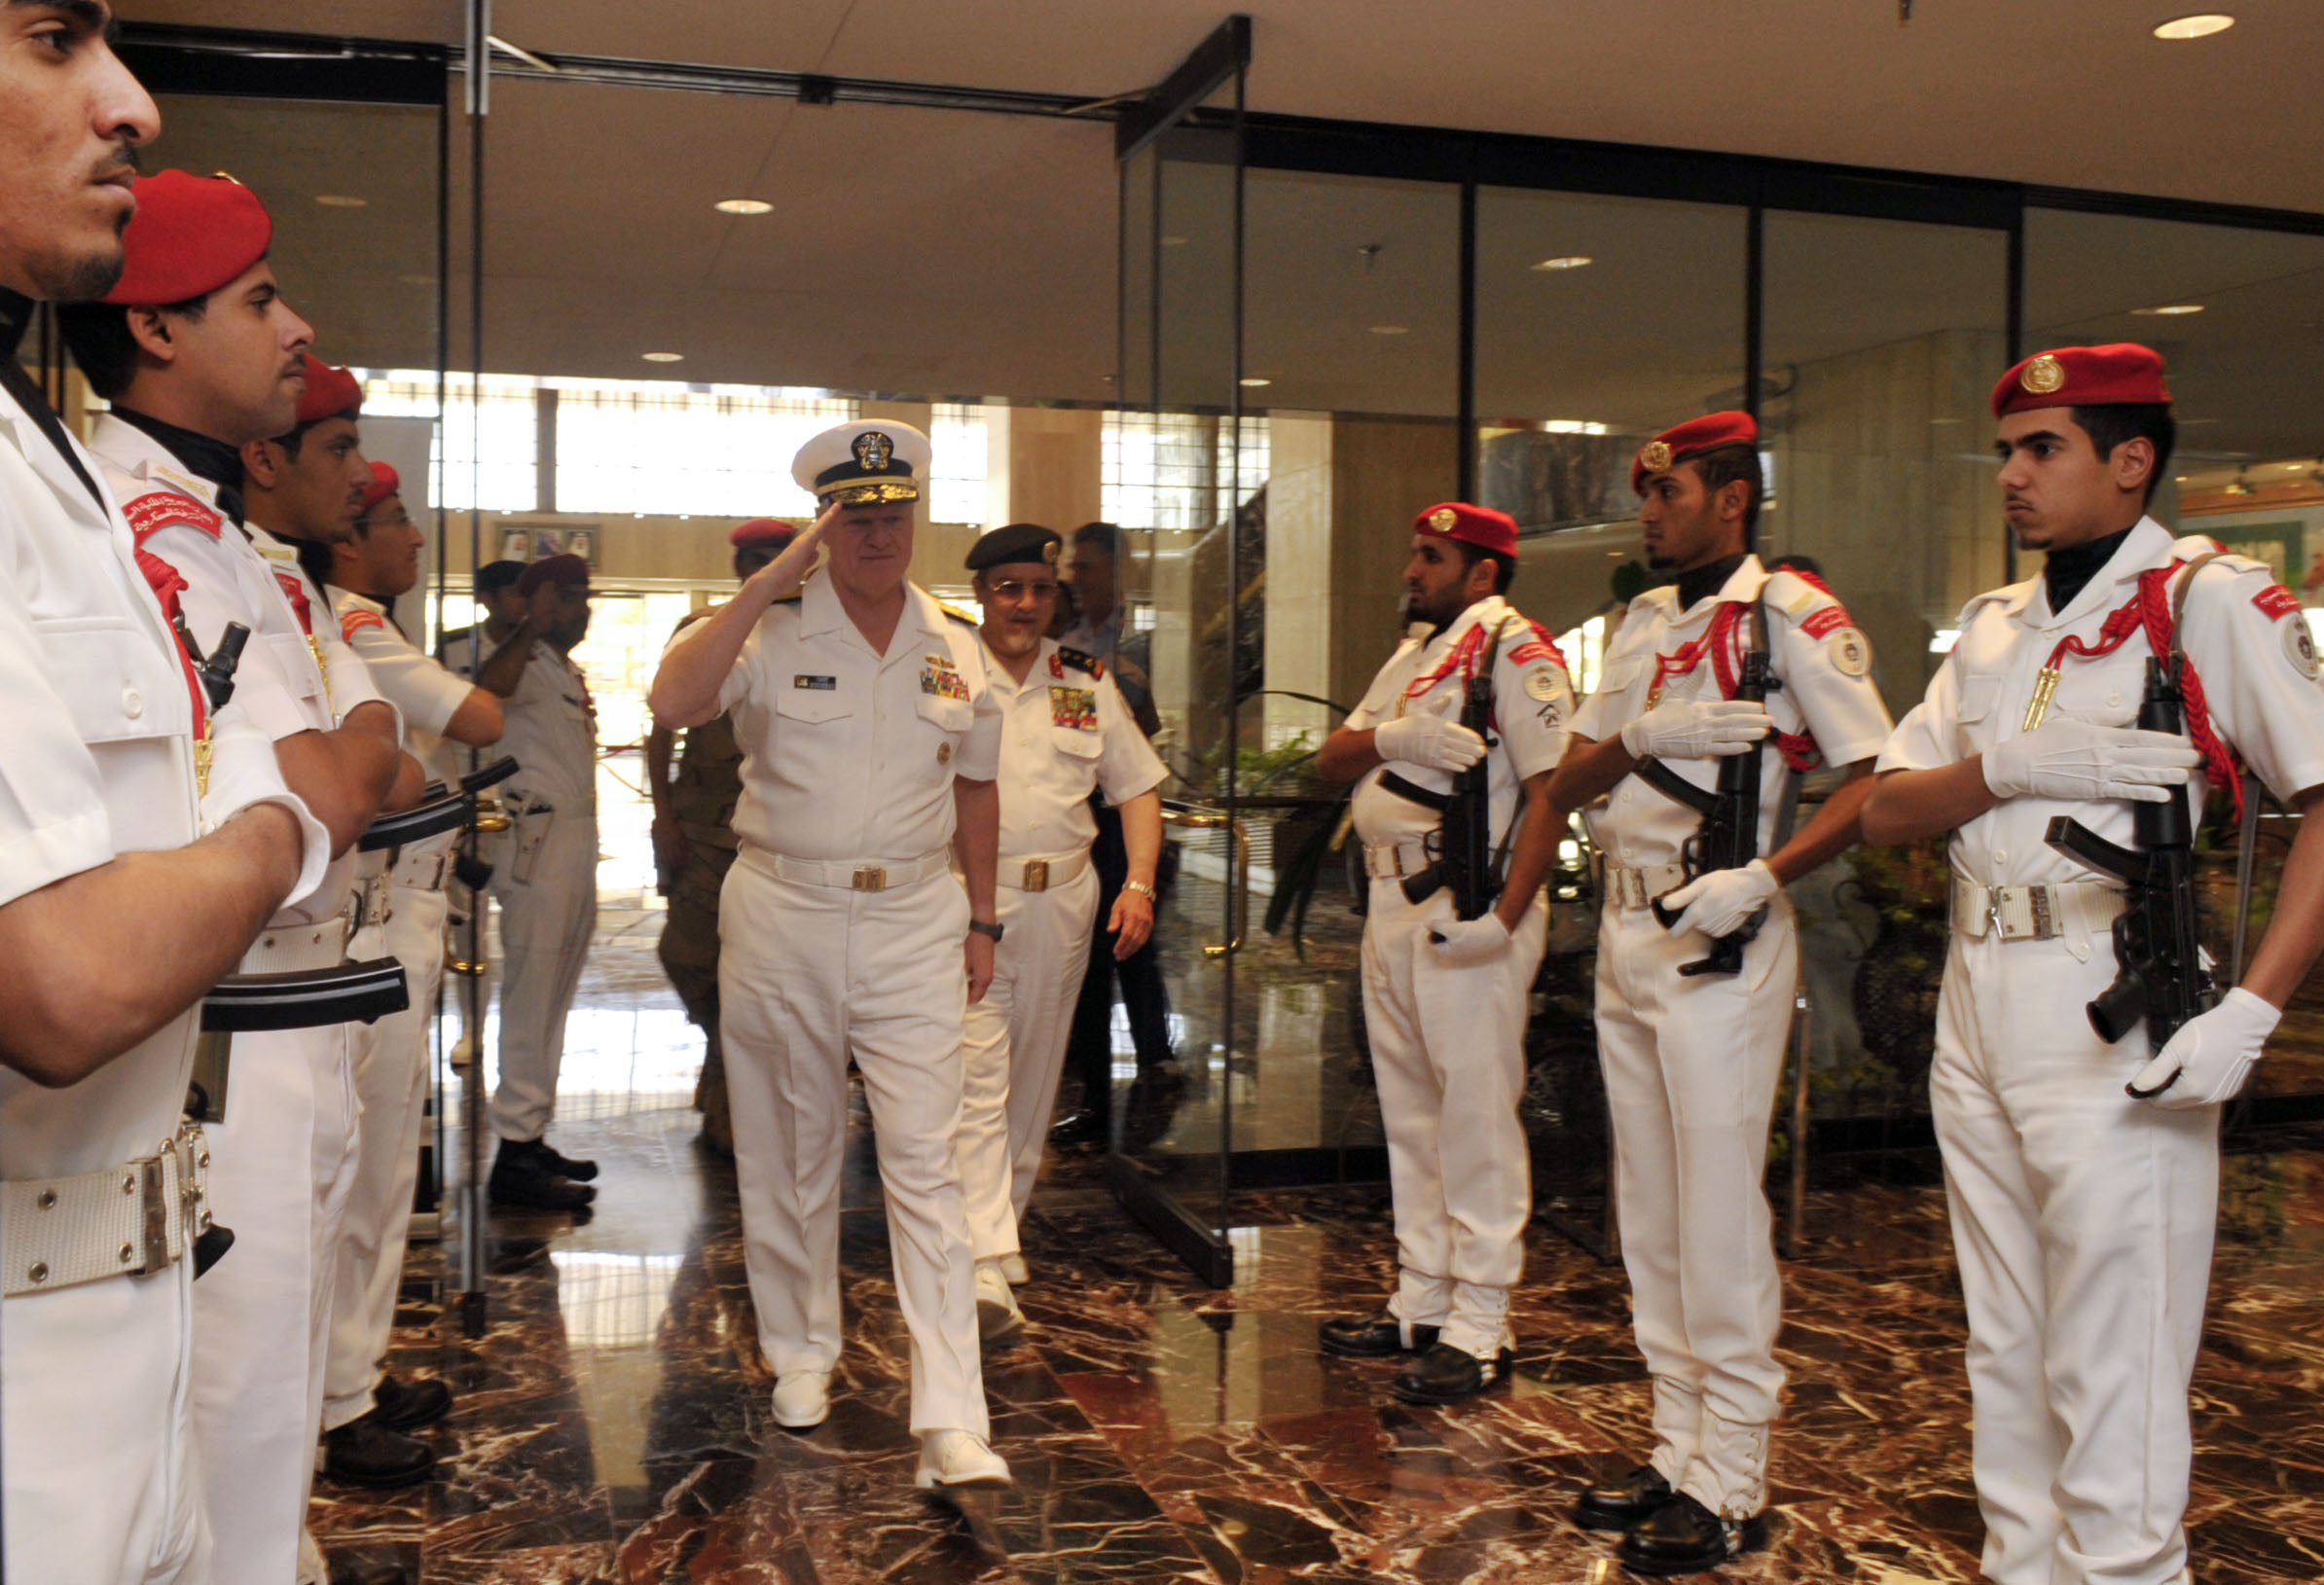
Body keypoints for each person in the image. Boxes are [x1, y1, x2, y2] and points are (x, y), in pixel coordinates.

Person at [1863, 344, 2324, 1585]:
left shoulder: (2204, 598)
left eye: (2042, 448)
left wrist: (2256, 1008)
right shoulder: (1999, 623)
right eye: (2007, 449)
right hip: (1978, 995)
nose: (2010, 473)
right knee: (2006, 1350)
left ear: (2131, 462)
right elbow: (1884, 811)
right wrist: (2008, 769)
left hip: (2111, 991)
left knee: (2112, 1363)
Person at [0, 23, 331, 1583]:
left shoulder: (37, 462)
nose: (130, 100)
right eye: (52, 36)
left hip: (115, 1284)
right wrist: (278, 822)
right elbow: (63, 977)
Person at [60, 170, 414, 1584]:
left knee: (268, 1420)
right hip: (222, 1029)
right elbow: (328, 777)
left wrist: (351, 749)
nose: (295, 326)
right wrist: (350, 749)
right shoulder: (134, 535)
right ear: (155, 327)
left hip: (295, 1006)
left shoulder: (233, 544)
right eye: (261, 298)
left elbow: (362, 759)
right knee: (227, 1423)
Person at [1545, 413, 1895, 1573]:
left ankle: (1735, 1478)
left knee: (1717, 1212)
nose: (1649, 513)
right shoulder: (1642, 621)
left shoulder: (1786, 619)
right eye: (1646, 495)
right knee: (1647, 1209)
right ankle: (1675, 1447)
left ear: (1734, 497)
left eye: (1671, 493)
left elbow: (1872, 779)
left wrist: (1766, 875)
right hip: (1627, 928)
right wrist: (1643, 734)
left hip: (1723, 934)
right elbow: (1564, 783)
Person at [649, 419, 1010, 1489]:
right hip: (782, 913)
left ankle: (953, 1417)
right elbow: (674, 701)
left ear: (916, 520)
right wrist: (769, 584)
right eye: (857, 518)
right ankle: (801, 1351)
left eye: (895, 515)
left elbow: (977, 784)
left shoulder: (955, 642)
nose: (880, 536)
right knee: (789, 1148)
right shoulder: (770, 632)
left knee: (926, 1165)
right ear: (825, 526)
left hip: (912, 922)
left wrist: (984, 917)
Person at [1310, 503, 1573, 1405]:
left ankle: (1482, 1324)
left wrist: (1507, 914)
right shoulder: (1418, 652)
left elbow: (1552, 793)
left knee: (1475, 1121)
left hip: (1463, 905)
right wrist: (1390, 736)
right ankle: (1421, 1298)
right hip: (1390, 902)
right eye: (1415, 552)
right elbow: (1330, 758)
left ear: (1484, 571)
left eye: (1433, 557)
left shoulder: (1517, 650)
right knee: (1411, 1113)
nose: (1413, 570)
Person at [315, 460, 504, 1489]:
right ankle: (340, 1401)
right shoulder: (351, 623)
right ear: (350, 539)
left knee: (385, 1171)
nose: (416, 540)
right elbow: (481, 719)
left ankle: (358, 1373)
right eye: (396, 522)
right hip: (372, 923)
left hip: (405, 910)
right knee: (361, 1168)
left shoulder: (355, 621)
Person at [952, 522, 1168, 1329]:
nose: (1026, 604)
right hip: (973, 901)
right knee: (977, 1073)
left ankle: (999, 1230)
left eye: (1040, 590)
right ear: (981, 594)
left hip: (1067, 897)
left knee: (1037, 1075)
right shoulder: (946, 673)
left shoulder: (1084, 678)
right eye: (1009, 588)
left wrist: (1138, 882)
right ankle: (978, 1253)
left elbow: (1137, 787)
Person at [444, 552, 601, 1210]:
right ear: (532, 604)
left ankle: (529, 1131)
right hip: (533, 837)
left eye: (584, 597)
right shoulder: (506, 652)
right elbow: (488, 691)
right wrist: (527, 629)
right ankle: (513, 1149)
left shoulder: (559, 665)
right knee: (533, 990)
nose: (582, 608)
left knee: (556, 991)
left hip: (575, 836)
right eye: (568, 597)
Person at [647, 517, 795, 1158]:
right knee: (688, 954)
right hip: (705, 827)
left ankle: (739, 1097)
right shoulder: (703, 631)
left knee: (765, 974)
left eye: (776, 558)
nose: (763, 571)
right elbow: (661, 729)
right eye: (755, 561)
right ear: (740, 569)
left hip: (774, 835)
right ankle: (720, 1045)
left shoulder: (803, 635)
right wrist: (664, 815)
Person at [1057, 520, 1173, 1143]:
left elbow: (1139, 746)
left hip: (1119, 812)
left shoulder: (1144, 644)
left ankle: (1150, 1058)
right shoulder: (1066, 644)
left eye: (1088, 568)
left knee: (1127, 946)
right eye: (1071, 569)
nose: (1076, 579)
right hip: (1075, 817)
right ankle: (1090, 1087)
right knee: (1092, 962)